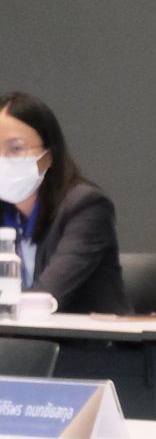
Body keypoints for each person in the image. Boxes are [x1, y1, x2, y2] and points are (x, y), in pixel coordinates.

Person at [0, 91, 127, 315]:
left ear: (48, 156)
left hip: (86, 337)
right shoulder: (6, 213)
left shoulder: (87, 207)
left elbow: (46, 297)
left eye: (16, 149)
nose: (3, 159)